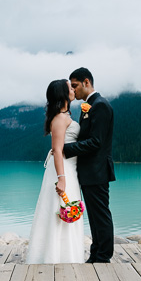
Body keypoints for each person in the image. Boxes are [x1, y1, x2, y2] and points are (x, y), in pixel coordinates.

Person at [26, 79, 85, 264]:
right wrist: (61, 179)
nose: (73, 90)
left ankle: (67, 255)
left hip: (70, 168)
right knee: (60, 209)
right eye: (70, 88)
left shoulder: (64, 116)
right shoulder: (60, 118)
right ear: (62, 93)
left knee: (67, 209)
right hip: (63, 169)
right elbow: (57, 149)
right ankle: (56, 257)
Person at [62, 68, 115, 263]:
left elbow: (96, 142)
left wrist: (66, 149)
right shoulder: (90, 105)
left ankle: (103, 256)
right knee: (94, 215)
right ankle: (96, 253)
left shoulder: (99, 105)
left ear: (86, 82)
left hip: (97, 170)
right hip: (90, 170)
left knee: (100, 214)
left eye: (75, 85)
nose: (73, 90)